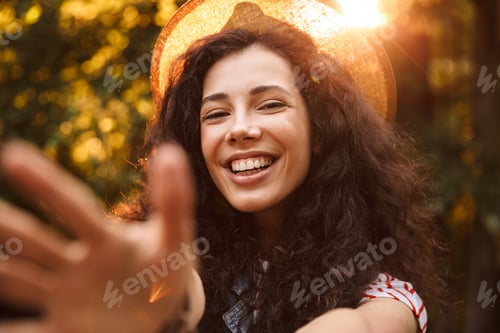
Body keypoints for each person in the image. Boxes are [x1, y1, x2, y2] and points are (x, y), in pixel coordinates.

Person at [0, 0, 447, 332]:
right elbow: (178, 292)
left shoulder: (386, 297)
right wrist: (143, 300)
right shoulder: (186, 264)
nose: (240, 129)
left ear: (323, 131)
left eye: (269, 104)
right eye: (216, 114)